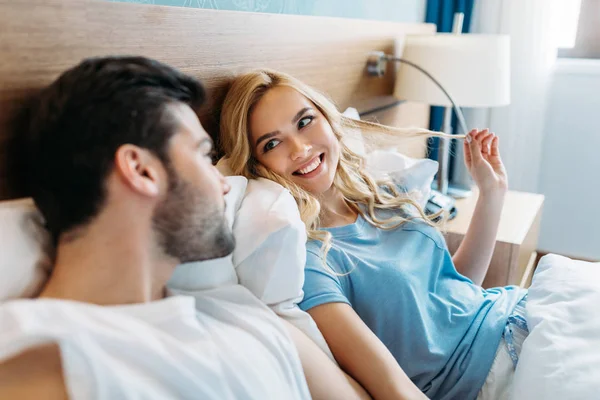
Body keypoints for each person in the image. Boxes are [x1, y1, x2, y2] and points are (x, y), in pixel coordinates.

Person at [0, 57, 369, 400]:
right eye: (203, 155)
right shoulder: (46, 364)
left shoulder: (245, 315)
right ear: (141, 170)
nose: (224, 183)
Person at [218, 68, 529, 400]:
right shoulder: (309, 259)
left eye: (305, 121)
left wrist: (492, 194)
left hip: (510, 316)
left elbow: (456, 292)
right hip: (489, 375)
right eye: (273, 143)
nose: (300, 148)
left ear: (327, 117)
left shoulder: (378, 195)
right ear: (255, 164)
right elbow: (392, 388)